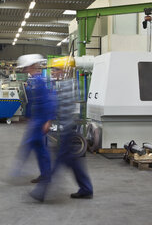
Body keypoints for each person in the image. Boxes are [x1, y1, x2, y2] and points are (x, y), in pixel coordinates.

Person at [29, 56, 93, 202]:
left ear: (63, 70)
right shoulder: (64, 84)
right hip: (67, 129)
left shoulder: (68, 85)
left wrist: (49, 119)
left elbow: (63, 108)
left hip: (67, 130)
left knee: (57, 163)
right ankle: (86, 189)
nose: (53, 72)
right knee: (74, 163)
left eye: (55, 69)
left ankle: (41, 191)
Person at [11, 54, 56, 184]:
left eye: (25, 68)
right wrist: (29, 117)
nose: (24, 70)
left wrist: (48, 120)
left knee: (29, 145)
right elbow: (32, 103)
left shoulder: (40, 81)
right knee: (39, 148)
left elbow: (48, 101)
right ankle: (45, 174)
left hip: (41, 121)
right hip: (36, 120)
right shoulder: (33, 80)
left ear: (30, 66)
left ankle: (16, 172)